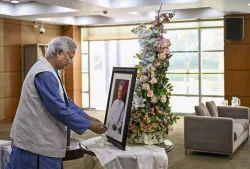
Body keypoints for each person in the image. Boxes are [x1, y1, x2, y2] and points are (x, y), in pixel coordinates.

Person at [5, 36, 107, 169]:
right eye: (70, 57)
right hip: (35, 142)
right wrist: (89, 125)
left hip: (40, 138)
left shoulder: (50, 70)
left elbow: (66, 101)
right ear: (59, 52)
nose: (70, 62)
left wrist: (86, 116)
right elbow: (59, 109)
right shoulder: (44, 74)